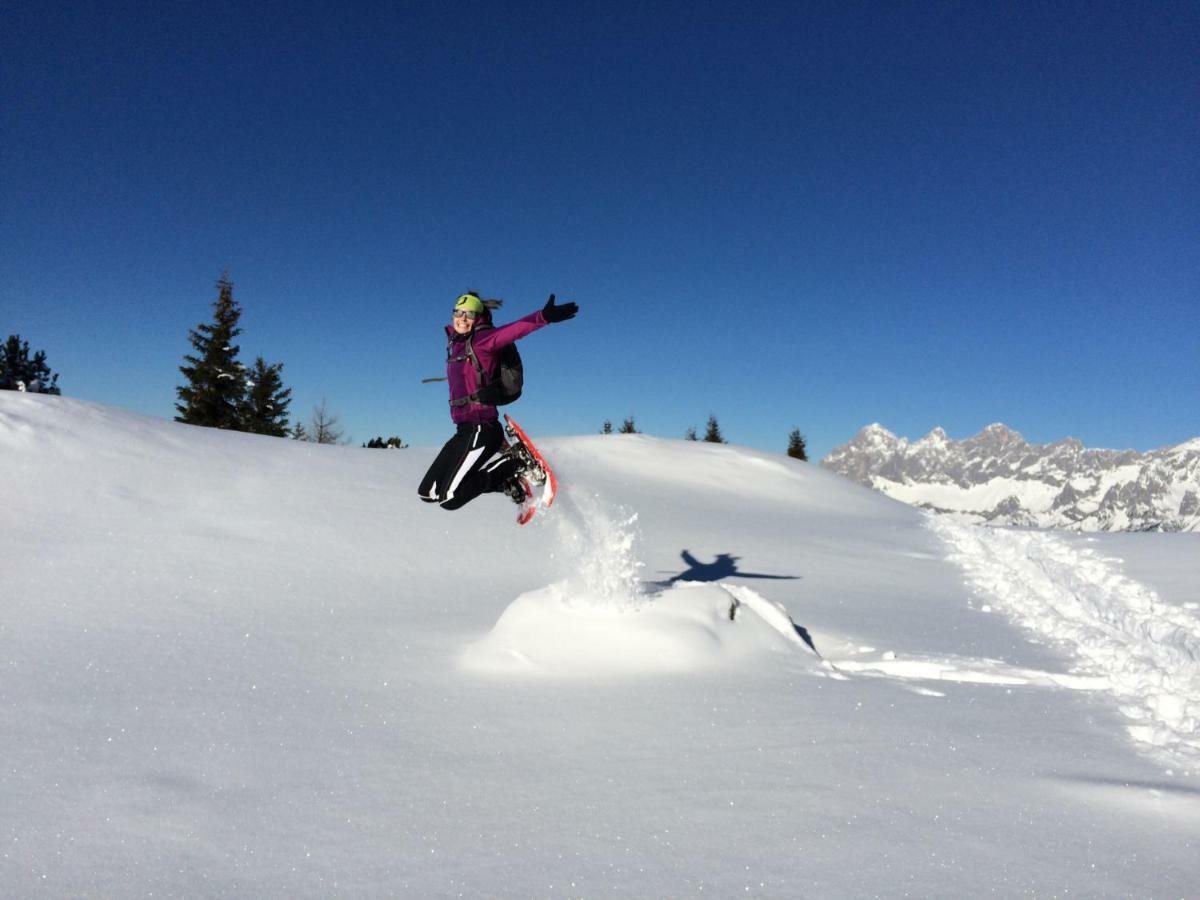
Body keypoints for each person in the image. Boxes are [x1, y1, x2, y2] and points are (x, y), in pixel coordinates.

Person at [418, 290, 578, 510]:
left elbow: (514, 331)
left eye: (469, 314)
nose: (463, 318)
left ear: (478, 318)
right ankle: (506, 483)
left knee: (450, 498)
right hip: (463, 431)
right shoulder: (454, 345)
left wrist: (544, 317)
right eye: (458, 312)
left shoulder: (482, 341)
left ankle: (516, 462)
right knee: (429, 492)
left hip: (482, 429)